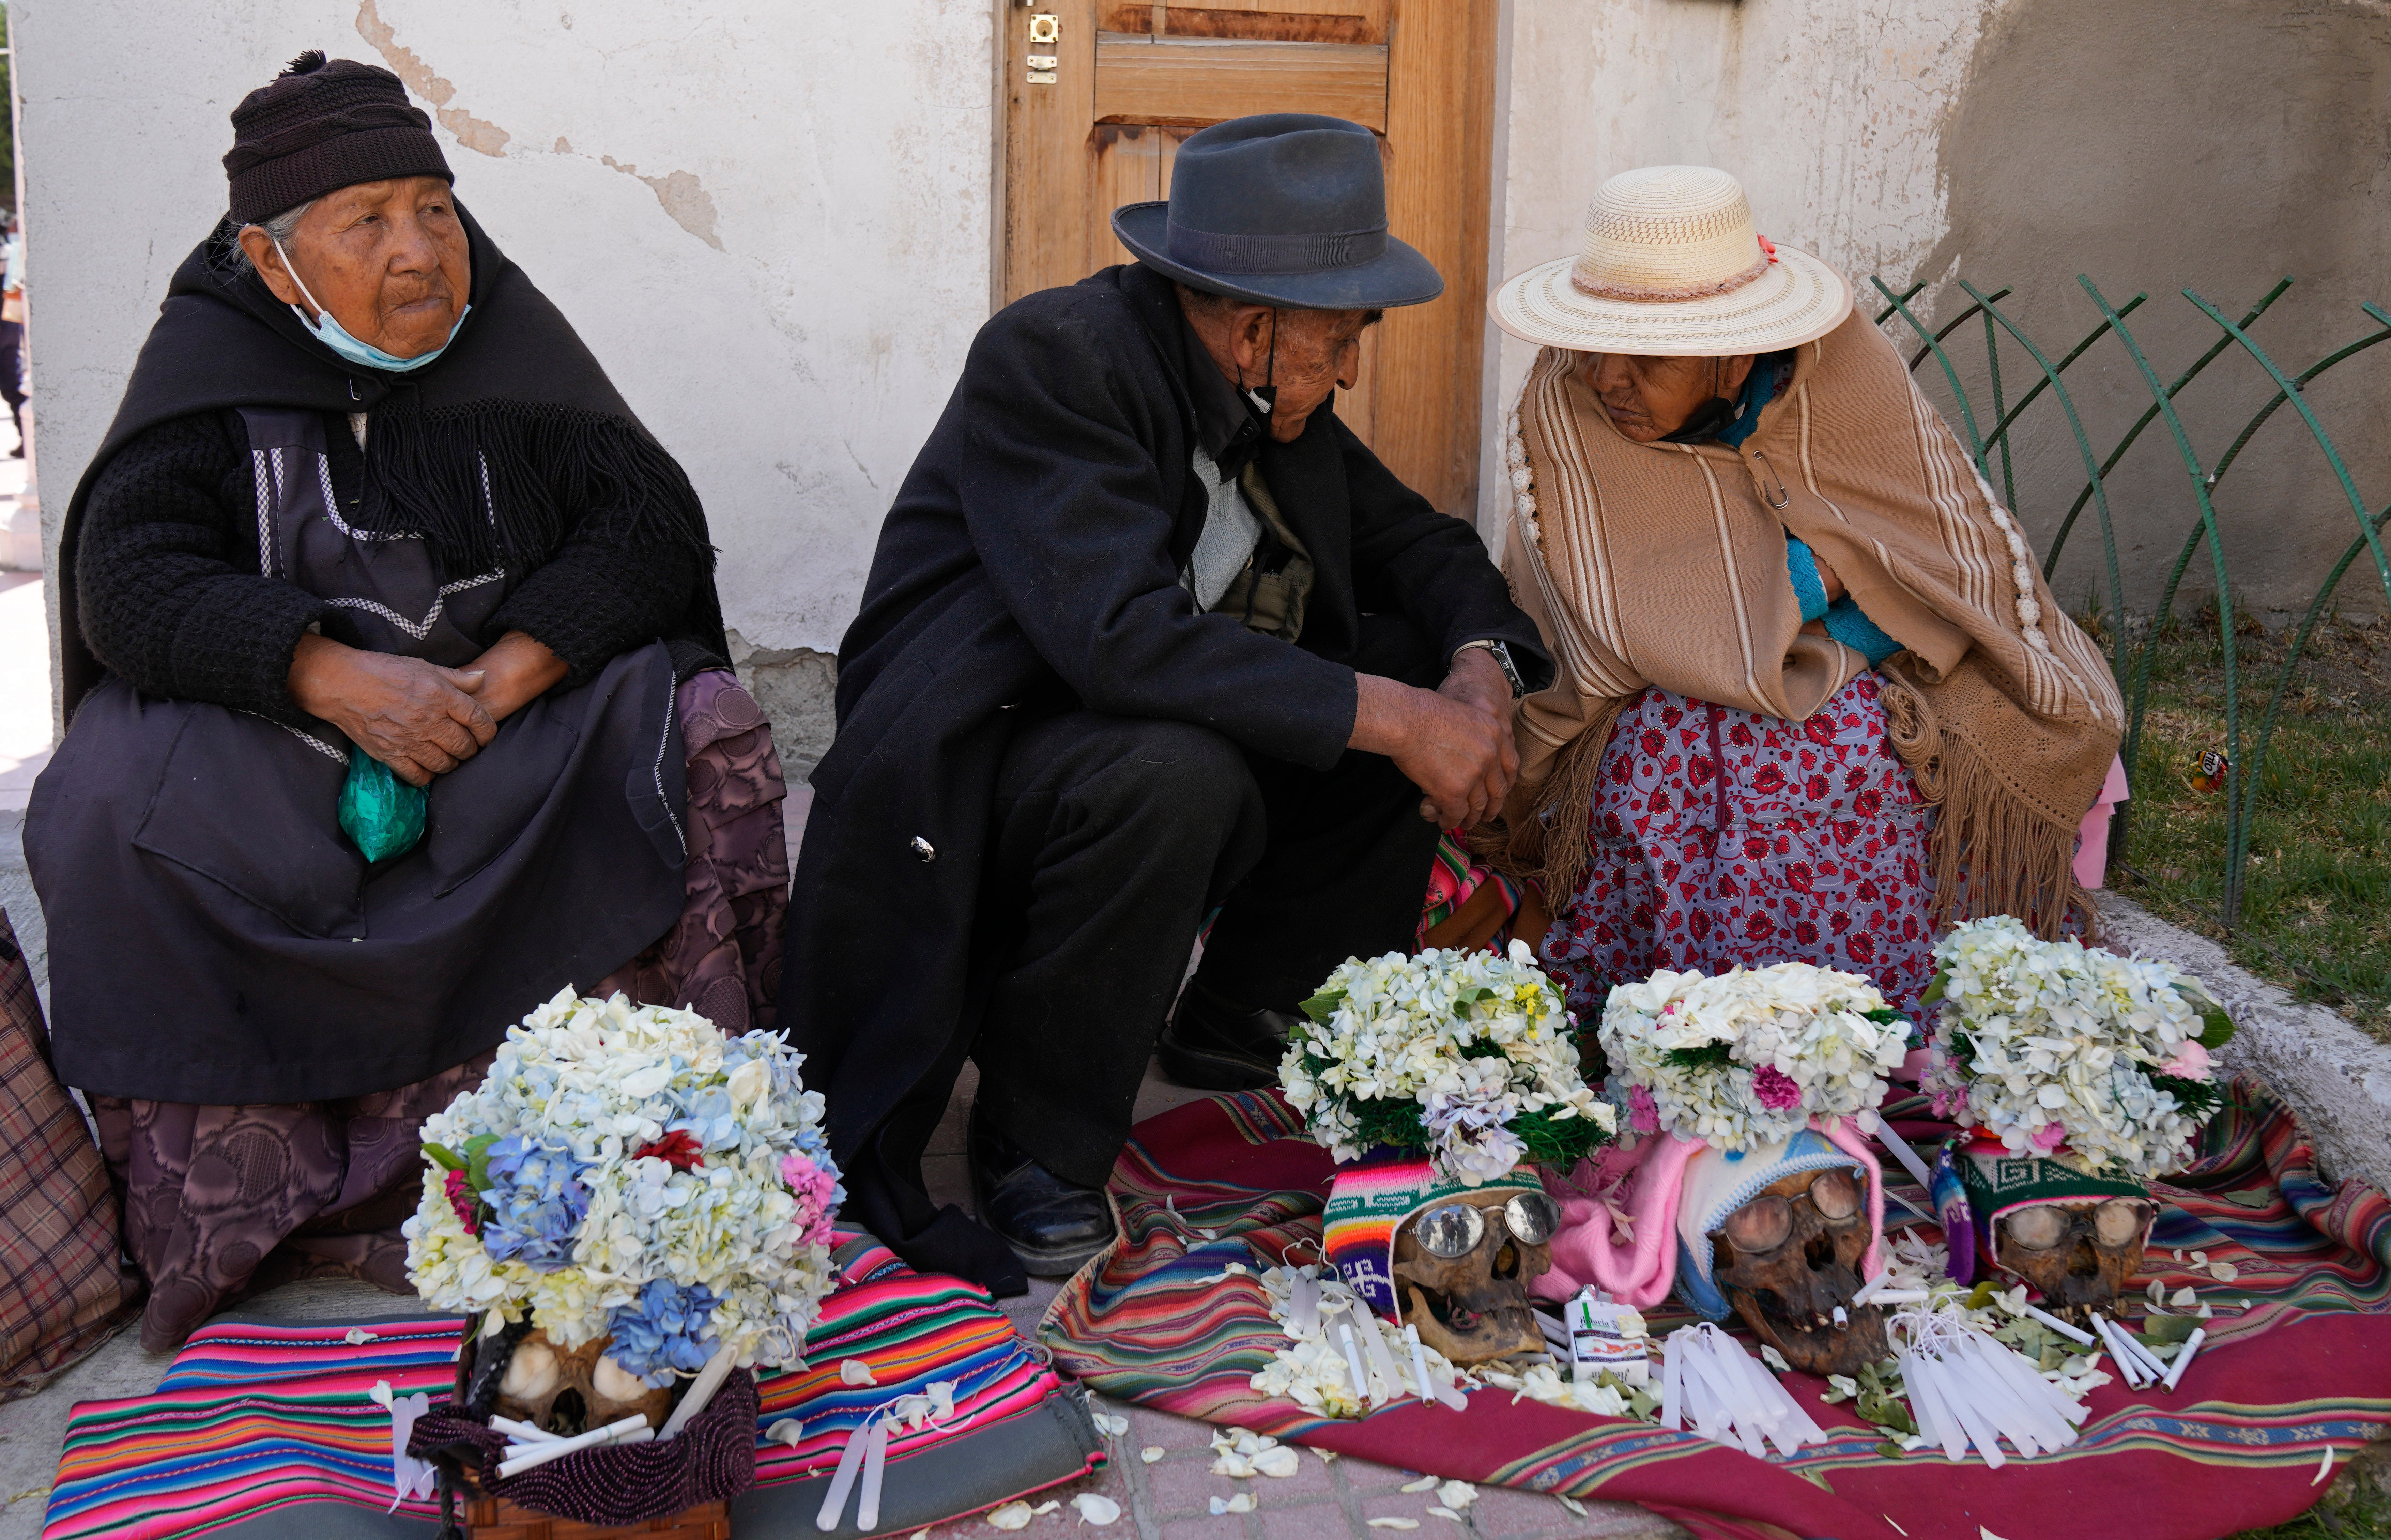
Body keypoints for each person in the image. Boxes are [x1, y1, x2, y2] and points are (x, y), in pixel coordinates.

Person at [27, 53, 788, 1350]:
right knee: (105, 801)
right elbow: (131, 584)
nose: (419, 251)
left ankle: (638, 1178)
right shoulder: (211, 363)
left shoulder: (508, 344)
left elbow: (646, 535)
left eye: (433, 208)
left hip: (500, 717)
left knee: (696, 728)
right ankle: (255, 1220)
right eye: (365, 221)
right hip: (277, 730)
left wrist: (503, 675)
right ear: (272, 263)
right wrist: (324, 672)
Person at [782, 115, 1551, 1289]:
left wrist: (1476, 677)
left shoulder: (1263, 404)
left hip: (1122, 733)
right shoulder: (1056, 362)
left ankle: (1243, 1013)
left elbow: (1419, 543)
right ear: (1252, 328)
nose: (1347, 371)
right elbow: (1120, 642)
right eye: (1337, 341)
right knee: (1178, 771)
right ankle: (1035, 1143)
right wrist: (1403, 719)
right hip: (980, 766)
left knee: (1386, 659)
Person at [1484, 165, 2123, 1026]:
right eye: (1596, 346)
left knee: (1845, 759)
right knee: (1669, 762)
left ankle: (1846, 1032)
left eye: (1644, 358)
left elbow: (1931, 553)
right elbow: (1607, 604)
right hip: (1638, 689)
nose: (1607, 378)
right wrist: (1798, 587)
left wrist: (1813, 611)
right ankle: (1669, 1030)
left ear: (1733, 350)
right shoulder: (1566, 402)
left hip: (1863, 665)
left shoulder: (1844, 376)